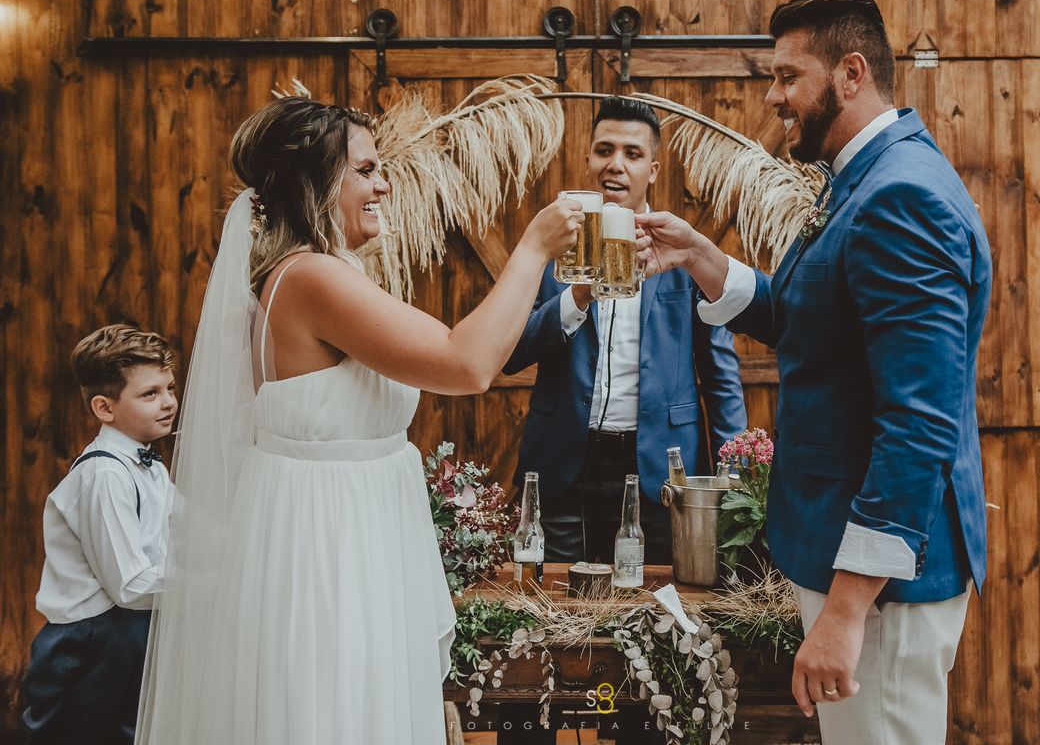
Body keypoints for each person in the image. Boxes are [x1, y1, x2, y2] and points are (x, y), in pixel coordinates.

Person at [134, 96, 582, 745]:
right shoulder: (314, 278)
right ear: (319, 185)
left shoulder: (315, 275)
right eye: (366, 170)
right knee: (333, 710)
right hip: (328, 541)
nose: (384, 183)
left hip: (350, 525)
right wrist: (535, 246)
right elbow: (468, 363)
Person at [635, 0, 991, 745]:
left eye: (787, 76)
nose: (773, 97)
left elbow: (920, 424)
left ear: (851, 73)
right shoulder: (860, 180)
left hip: (885, 588)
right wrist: (705, 261)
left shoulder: (901, 199)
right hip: (848, 563)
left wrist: (847, 607)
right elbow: (815, 320)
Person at [498, 96, 745, 745]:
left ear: (652, 169)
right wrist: (576, 297)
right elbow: (510, 350)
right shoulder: (554, 242)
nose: (616, 164)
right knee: (550, 626)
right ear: (588, 157)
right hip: (563, 466)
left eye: (632, 153)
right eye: (605, 150)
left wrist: (743, 473)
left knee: (659, 626)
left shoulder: (682, 251)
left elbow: (718, 372)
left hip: (658, 471)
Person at [23, 325, 177, 745]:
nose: (168, 403)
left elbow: (187, 529)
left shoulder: (152, 468)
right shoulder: (104, 474)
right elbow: (128, 586)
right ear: (104, 408)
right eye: (150, 394)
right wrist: (207, 585)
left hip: (134, 632)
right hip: (91, 639)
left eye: (169, 387)